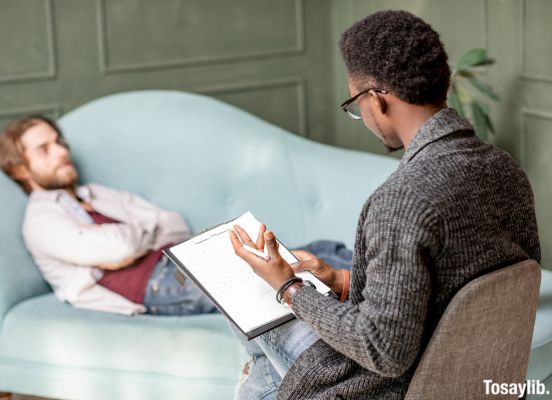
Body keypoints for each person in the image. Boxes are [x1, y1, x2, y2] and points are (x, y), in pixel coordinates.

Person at [229, 10, 541, 400]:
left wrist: (288, 286)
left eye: (357, 105)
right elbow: (452, 292)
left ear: (377, 98)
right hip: (477, 382)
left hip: (393, 388)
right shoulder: (505, 170)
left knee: (252, 321)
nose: (363, 115)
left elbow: (383, 351)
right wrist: (344, 281)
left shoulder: (400, 201)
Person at [0, 116, 353, 317]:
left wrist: (133, 239)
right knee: (272, 279)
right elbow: (118, 249)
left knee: (316, 251)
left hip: (180, 257)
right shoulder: (40, 220)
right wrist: (138, 237)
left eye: (59, 142)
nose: (61, 152)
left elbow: (174, 223)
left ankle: (386, 285)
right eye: (45, 149)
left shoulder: (95, 195)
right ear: (20, 169)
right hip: (155, 285)